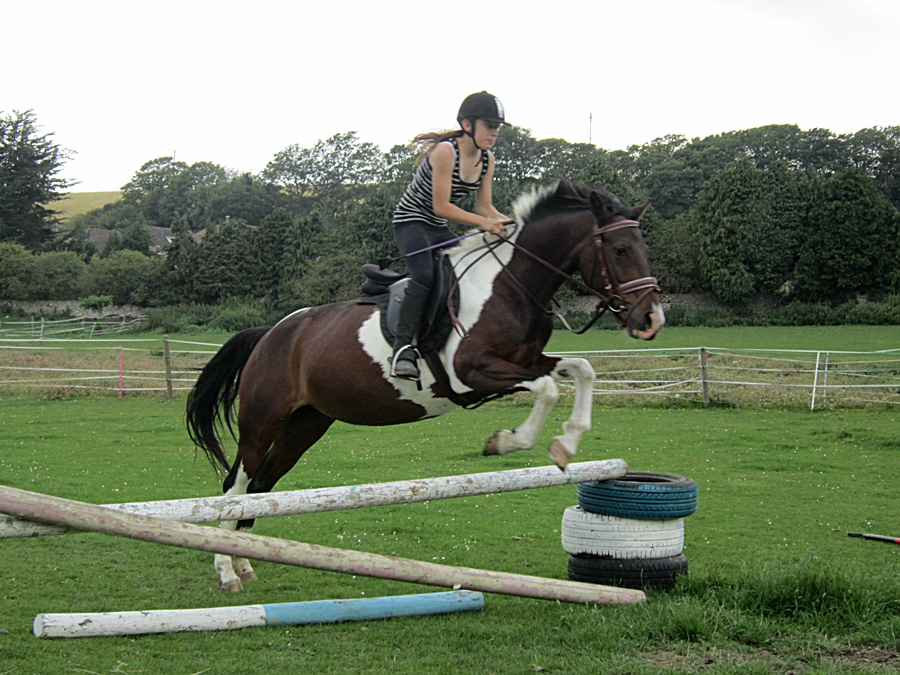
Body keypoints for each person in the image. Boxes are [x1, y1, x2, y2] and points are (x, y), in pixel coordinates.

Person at [390, 91, 512, 380]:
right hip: (411, 222)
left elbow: (485, 207)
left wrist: (510, 223)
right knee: (425, 276)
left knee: (468, 271)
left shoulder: (487, 159)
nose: (494, 133)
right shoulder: (446, 152)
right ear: (467, 125)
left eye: (496, 127)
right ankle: (402, 349)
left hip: (437, 227)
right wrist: (484, 223)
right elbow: (441, 207)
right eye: (488, 126)